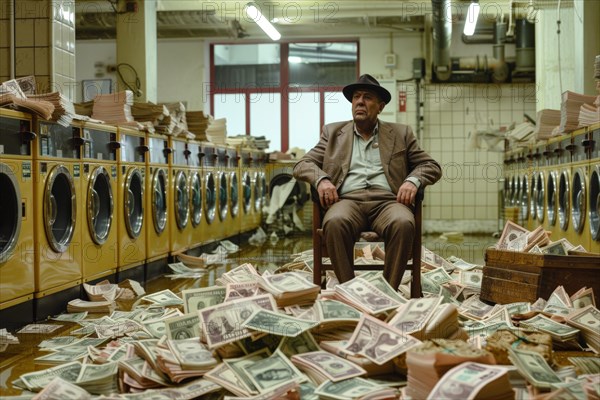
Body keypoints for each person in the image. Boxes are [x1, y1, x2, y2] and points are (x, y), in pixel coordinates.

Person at [293, 74, 442, 289]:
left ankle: (388, 292)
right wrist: (322, 180)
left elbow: (431, 166)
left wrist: (412, 181)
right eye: (356, 97)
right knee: (335, 222)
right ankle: (350, 291)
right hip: (347, 201)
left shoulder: (401, 133)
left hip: (388, 202)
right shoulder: (333, 133)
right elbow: (302, 165)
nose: (360, 102)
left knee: (403, 223)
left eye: (367, 97)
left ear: (380, 106)